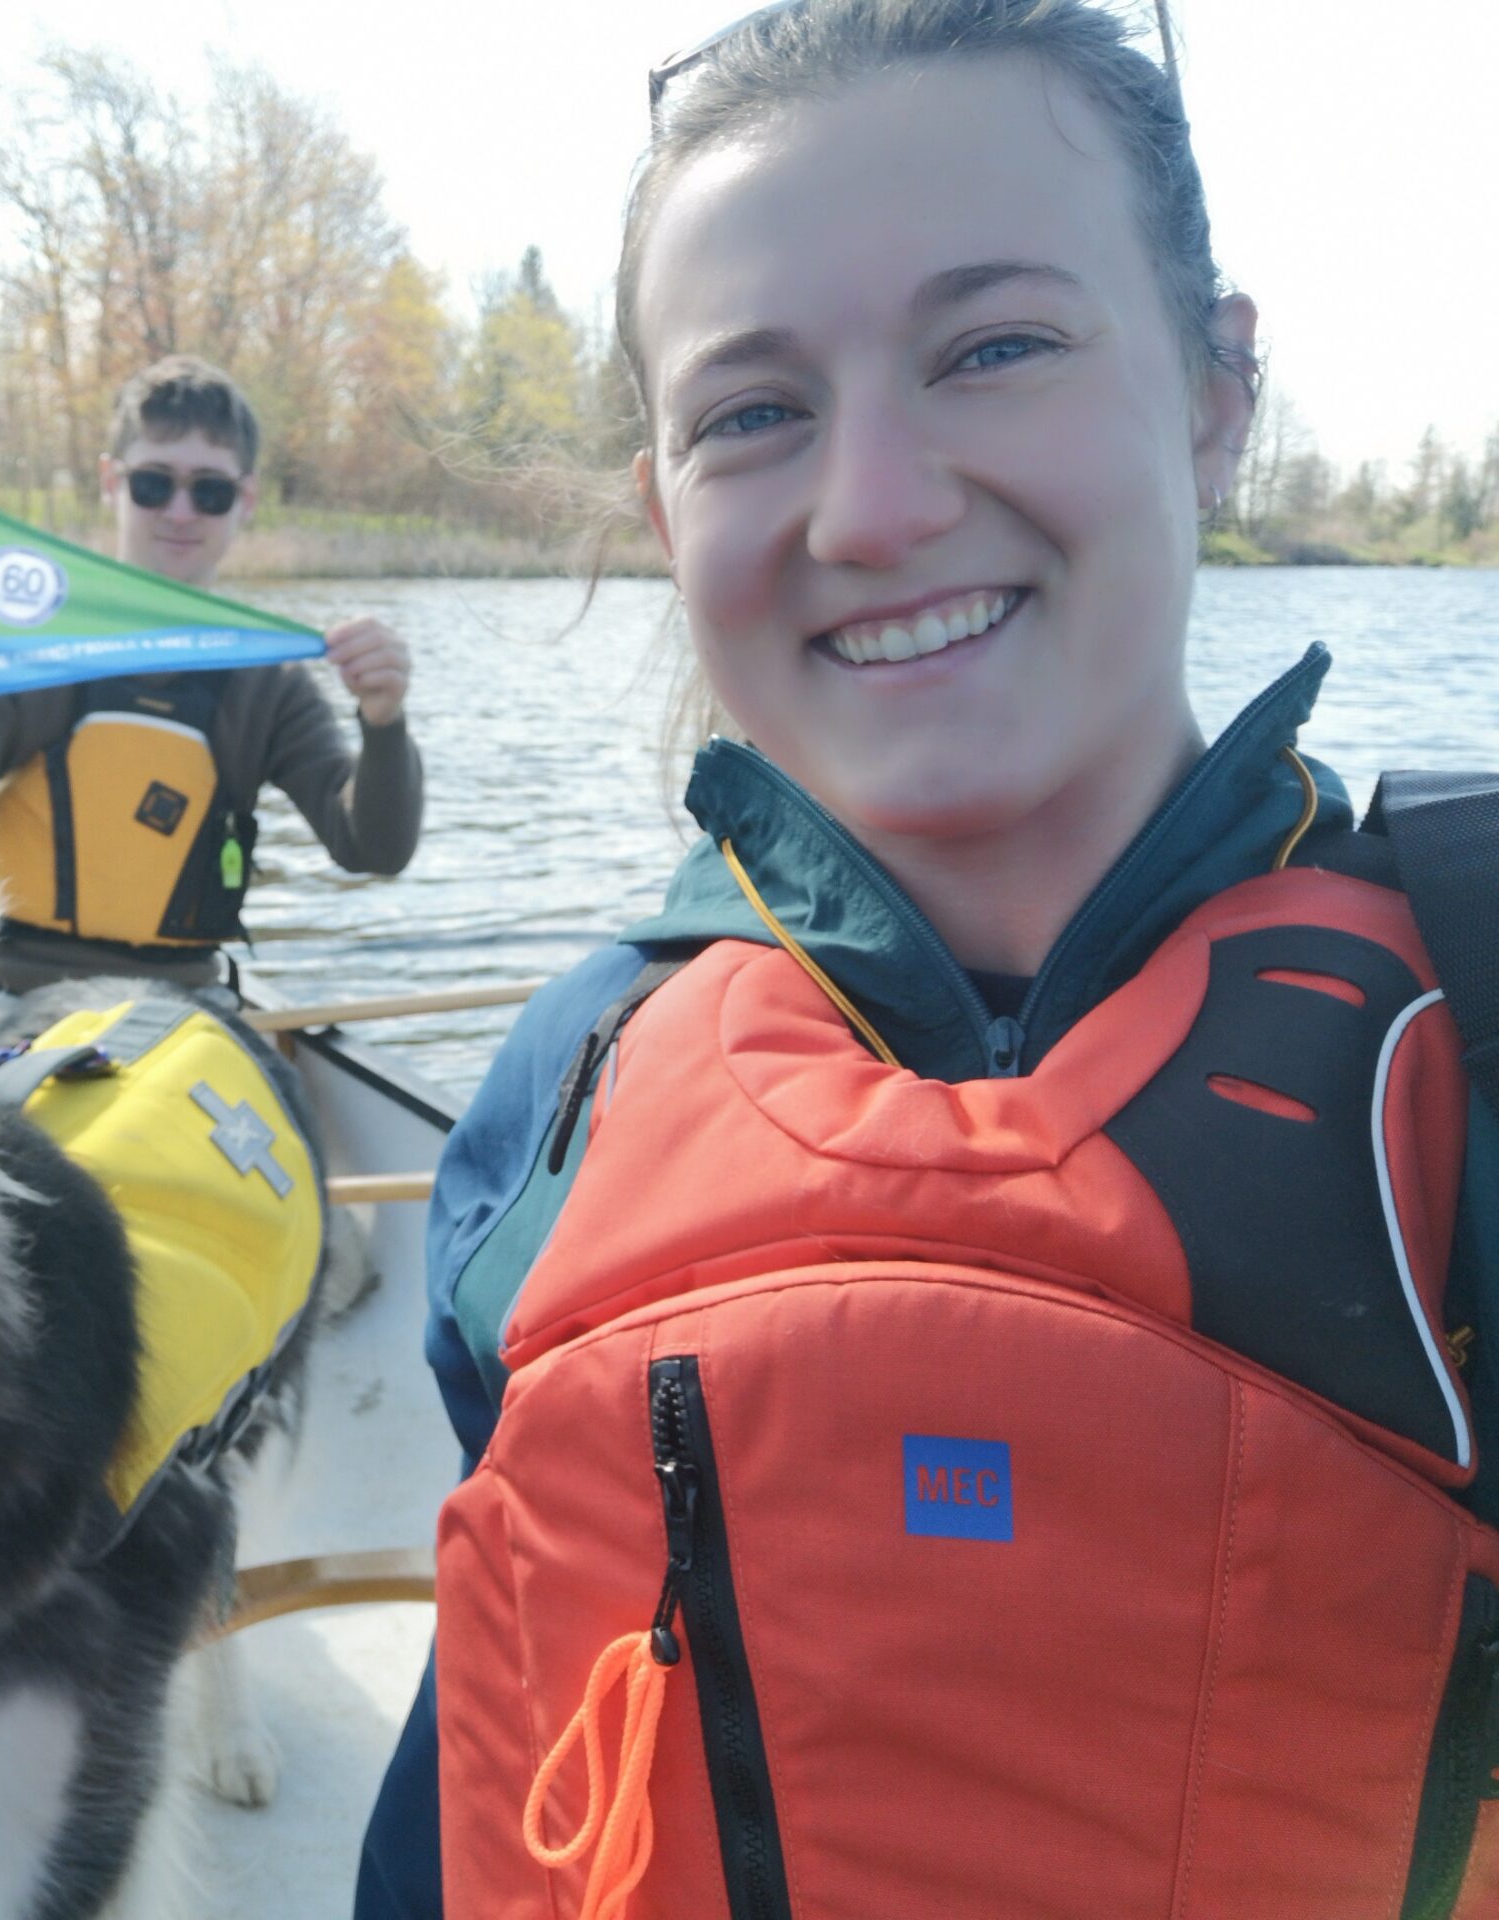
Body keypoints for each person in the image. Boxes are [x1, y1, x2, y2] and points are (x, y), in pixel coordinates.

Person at [357, 1, 1499, 1914]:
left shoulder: (1470, 1045)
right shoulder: (566, 1091)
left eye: (996, 349)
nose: (875, 507)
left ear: (1218, 394)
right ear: (663, 509)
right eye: (752, 413)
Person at [0, 355, 423, 995]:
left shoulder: (271, 682)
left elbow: (373, 849)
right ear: (111, 482)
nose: (180, 512)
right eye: (153, 484)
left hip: (186, 1004)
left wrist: (384, 722)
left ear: (246, 500)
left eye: (210, 492)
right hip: (17, 995)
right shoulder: (35, 647)